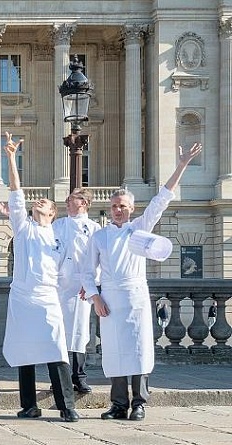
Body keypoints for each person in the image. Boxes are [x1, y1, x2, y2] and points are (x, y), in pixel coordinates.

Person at [85, 143, 202, 421]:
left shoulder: (139, 229)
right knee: (113, 351)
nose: (117, 210)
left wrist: (182, 164)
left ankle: (139, 402)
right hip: (110, 299)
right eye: (113, 206)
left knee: (139, 349)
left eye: (122, 206)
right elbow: (87, 273)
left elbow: (162, 199)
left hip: (135, 295)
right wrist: (96, 298)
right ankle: (117, 403)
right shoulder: (99, 237)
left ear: (131, 208)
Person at [0, 134, 79, 422]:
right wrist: (10, 157)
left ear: (52, 212)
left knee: (57, 351)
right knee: (25, 352)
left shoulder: (59, 237)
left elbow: (66, 273)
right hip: (22, 296)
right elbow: (15, 194)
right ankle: (29, 404)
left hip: (47, 297)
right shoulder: (23, 228)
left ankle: (66, 405)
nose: (40, 200)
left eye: (45, 201)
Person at [53, 187, 102, 394]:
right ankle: (59, 377)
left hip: (81, 287)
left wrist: (90, 284)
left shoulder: (94, 227)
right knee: (59, 332)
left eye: (71, 199)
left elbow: (99, 258)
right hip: (58, 286)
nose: (66, 202)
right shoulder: (58, 224)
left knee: (80, 333)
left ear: (83, 202)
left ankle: (79, 376)